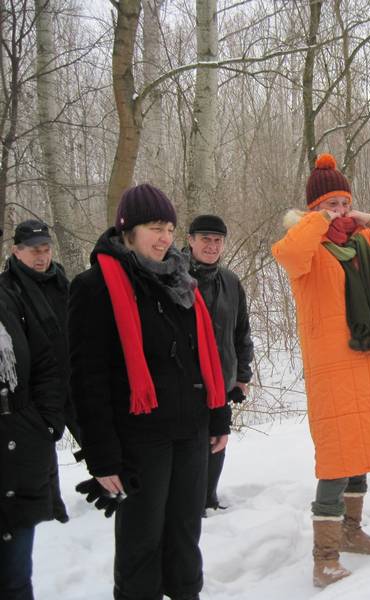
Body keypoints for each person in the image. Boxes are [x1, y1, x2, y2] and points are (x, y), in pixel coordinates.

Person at [68, 184, 231, 600]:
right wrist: (101, 455)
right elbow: (86, 380)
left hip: (190, 430)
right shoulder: (95, 287)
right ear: (128, 231)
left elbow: (202, 356)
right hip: (139, 438)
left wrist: (217, 416)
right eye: (155, 228)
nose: (164, 239)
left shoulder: (181, 281)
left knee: (185, 533)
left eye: (170, 229)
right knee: (141, 540)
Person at [272, 153, 370, 588]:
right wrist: (318, 221)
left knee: (360, 450)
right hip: (331, 367)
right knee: (336, 458)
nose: (339, 211)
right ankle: (325, 557)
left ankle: (352, 531)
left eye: (343, 202)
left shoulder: (362, 242)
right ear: (313, 208)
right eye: (330, 204)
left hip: (367, 358)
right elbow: (290, 254)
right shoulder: (304, 245)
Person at [0, 219, 78, 523]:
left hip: (71, 375)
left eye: (45, 249)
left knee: (94, 436)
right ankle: (52, 511)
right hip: (36, 385)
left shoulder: (61, 281)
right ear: (16, 251)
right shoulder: (8, 288)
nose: (41, 256)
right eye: (34, 250)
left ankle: (109, 486)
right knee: (44, 446)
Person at [186, 214, 253, 515]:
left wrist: (242, 376)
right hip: (187, 380)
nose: (212, 246)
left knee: (218, 439)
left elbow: (241, 331)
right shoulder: (175, 278)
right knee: (192, 444)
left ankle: (209, 499)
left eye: (217, 240)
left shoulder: (230, 281)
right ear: (190, 240)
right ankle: (191, 504)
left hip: (222, 378)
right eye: (205, 239)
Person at [0, 283, 63, 600]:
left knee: (16, 579)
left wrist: (46, 424)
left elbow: (44, 363)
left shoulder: (9, 300)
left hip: (18, 455)